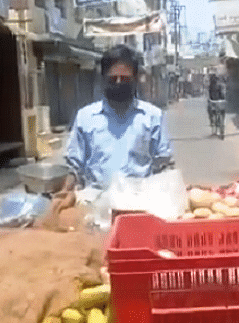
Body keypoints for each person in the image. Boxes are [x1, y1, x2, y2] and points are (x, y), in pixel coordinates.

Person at [44, 45, 174, 226]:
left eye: (125, 78)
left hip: (140, 207)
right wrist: (65, 192)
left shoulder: (152, 116)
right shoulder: (86, 117)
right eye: (113, 79)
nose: (119, 83)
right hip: (95, 208)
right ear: (103, 80)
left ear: (136, 79)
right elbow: (74, 167)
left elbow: (163, 165)